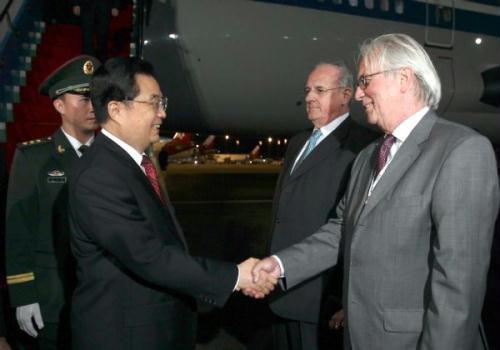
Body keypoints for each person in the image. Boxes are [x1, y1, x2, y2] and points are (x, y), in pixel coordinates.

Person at [253, 33, 500, 350]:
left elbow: (458, 284)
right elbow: (342, 230)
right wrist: (281, 265)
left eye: (365, 81)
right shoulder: (368, 156)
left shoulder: (461, 150)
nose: (357, 94)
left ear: (404, 78)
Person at [67, 57, 274, 350]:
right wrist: (237, 276)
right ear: (116, 110)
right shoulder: (98, 175)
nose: (163, 113)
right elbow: (149, 256)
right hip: (125, 336)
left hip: (155, 328)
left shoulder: (134, 163)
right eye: (154, 102)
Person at [267, 62, 377, 350]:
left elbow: (361, 230)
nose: (309, 97)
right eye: (307, 90)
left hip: (322, 299)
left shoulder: (364, 147)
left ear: (345, 94)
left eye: (319, 90)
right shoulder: (297, 142)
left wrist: (347, 301)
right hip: (280, 288)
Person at [5, 55, 101, 349]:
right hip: (54, 297)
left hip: (103, 298)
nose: (92, 106)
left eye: (96, 97)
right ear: (59, 105)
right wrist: (23, 294)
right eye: (83, 98)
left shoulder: (112, 158)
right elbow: (18, 230)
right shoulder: (34, 159)